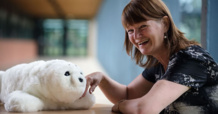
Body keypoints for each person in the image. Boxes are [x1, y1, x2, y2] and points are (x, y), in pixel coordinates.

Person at [81, 0, 218, 113]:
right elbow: (128, 94)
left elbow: (145, 109)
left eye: (143, 26)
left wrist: (120, 105)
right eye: (130, 30)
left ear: (165, 24)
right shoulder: (161, 64)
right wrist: (102, 78)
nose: (136, 36)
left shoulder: (190, 59)